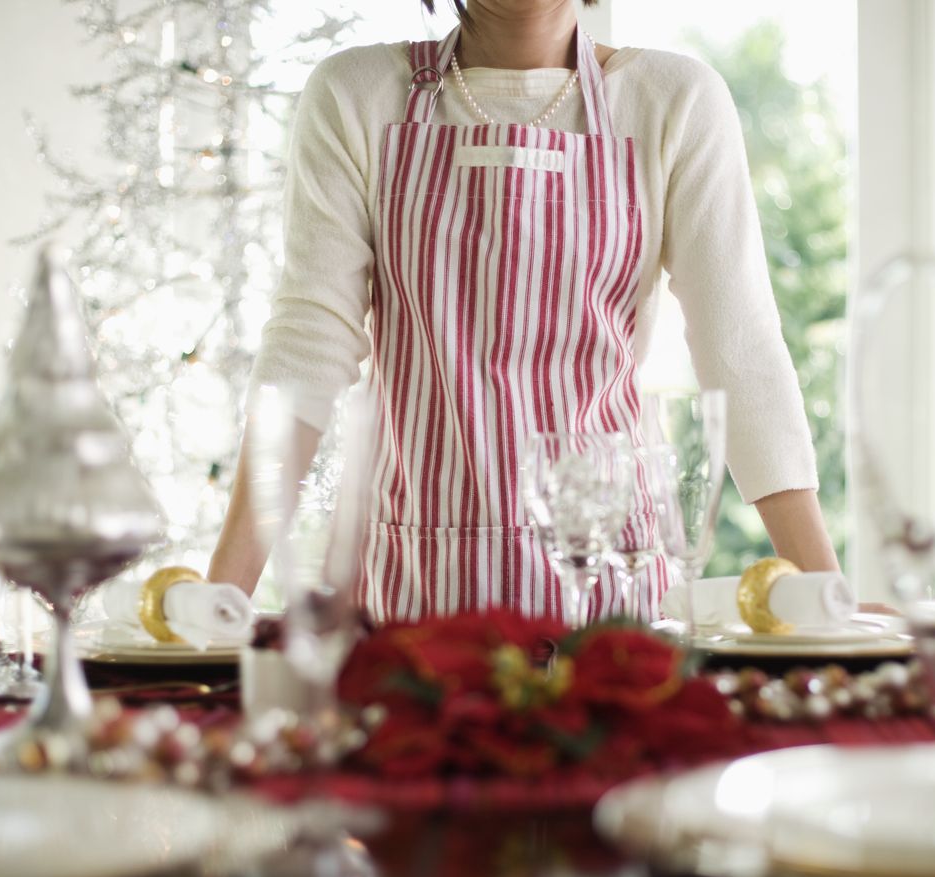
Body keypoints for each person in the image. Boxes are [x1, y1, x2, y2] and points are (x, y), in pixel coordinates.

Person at [209, 0, 840, 622]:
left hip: (611, 593)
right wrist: (221, 603)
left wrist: (827, 600)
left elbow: (740, 350)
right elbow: (310, 343)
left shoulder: (672, 98)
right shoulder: (356, 94)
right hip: (412, 594)